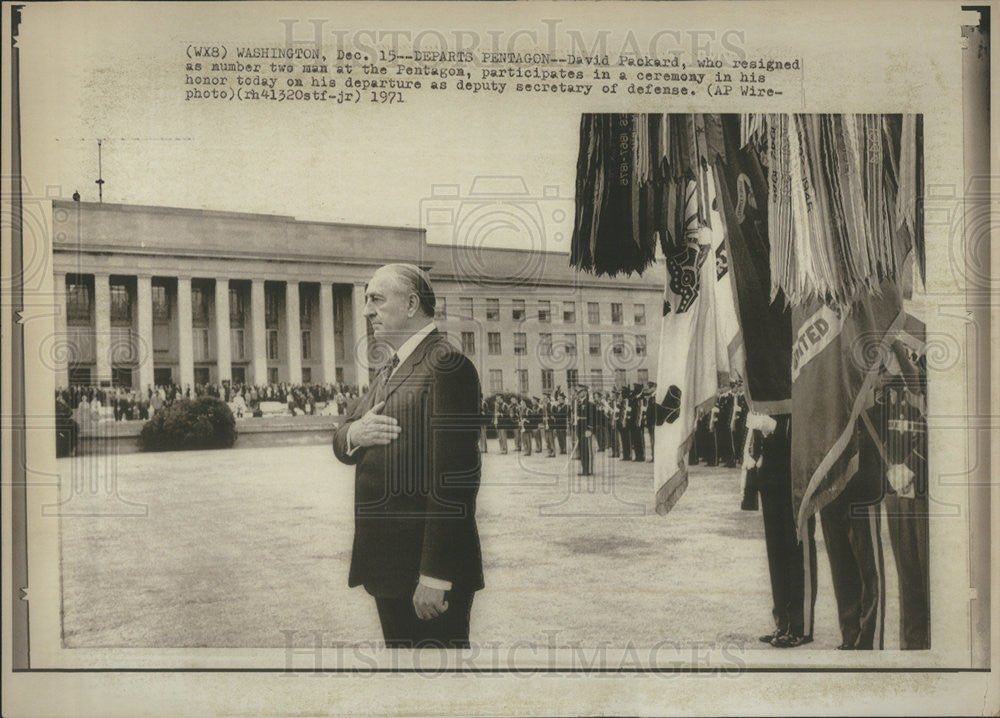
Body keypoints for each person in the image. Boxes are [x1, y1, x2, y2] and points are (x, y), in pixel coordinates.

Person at [332, 264, 484, 648]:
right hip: (391, 570)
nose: (367, 310)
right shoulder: (391, 366)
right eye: (367, 300)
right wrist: (355, 433)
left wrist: (436, 575)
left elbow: (456, 480)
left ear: (413, 303)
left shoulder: (445, 365)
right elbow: (342, 433)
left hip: (425, 577)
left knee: (440, 696)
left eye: (376, 299)